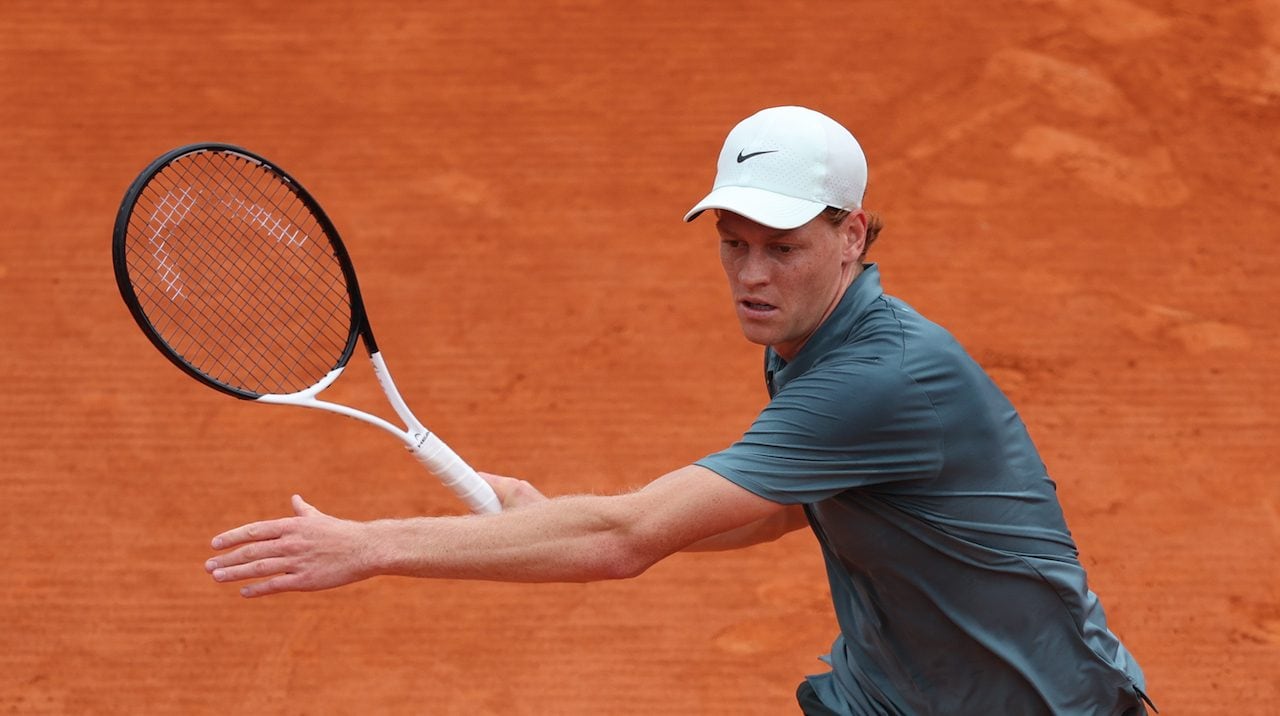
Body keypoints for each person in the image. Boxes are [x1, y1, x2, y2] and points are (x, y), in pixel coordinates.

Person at [205, 106, 1153, 715]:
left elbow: (625, 540)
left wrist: (370, 546)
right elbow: (783, 508)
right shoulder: (816, 342)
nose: (749, 275)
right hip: (894, 693)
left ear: (850, 233)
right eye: (732, 245)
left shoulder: (883, 377)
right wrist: (547, 513)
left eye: (779, 248)